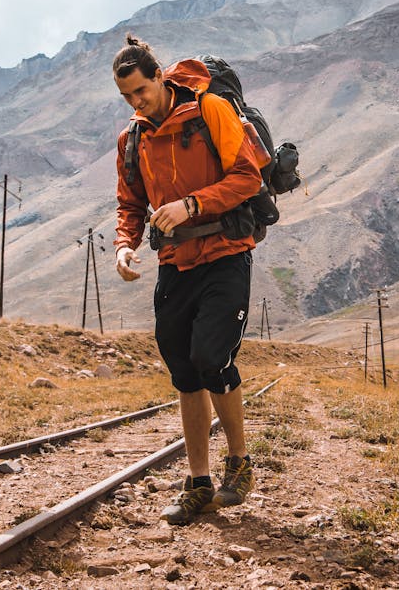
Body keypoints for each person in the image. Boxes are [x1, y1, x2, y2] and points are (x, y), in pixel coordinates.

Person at [112, 35, 263, 525]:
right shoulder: (132, 138)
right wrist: (123, 244)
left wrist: (192, 205)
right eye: (127, 97)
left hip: (225, 251)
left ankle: (238, 463)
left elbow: (248, 177)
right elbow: (130, 203)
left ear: (159, 77)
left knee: (211, 356)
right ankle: (198, 482)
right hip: (175, 262)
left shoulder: (210, 109)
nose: (137, 102)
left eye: (141, 91)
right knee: (183, 371)